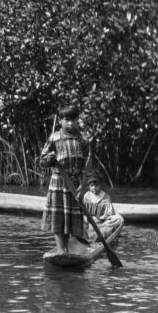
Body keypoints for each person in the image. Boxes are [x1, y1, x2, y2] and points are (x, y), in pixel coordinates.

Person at [39, 104, 88, 254]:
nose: (70, 123)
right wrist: (49, 159)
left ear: (77, 120)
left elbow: (87, 165)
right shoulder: (54, 138)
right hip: (58, 183)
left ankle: (67, 249)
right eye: (66, 120)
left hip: (75, 185)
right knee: (59, 218)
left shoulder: (83, 139)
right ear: (60, 121)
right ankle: (61, 251)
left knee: (71, 218)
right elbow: (42, 162)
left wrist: (83, 185)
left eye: (73, 119)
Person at [81, 173, 122, 240]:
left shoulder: (105, 197)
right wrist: (89, 218)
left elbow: (109, 214)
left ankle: (100, 237)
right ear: (89, 186)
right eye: (92, 186)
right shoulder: (87, 196)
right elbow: (83, 211)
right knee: (82, 224)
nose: (94, 188)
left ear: (100, 185)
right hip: (89, 222)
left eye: (96, 185)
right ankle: (87, 238)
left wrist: (102, 217)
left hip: (102, 223)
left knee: (116, 221)